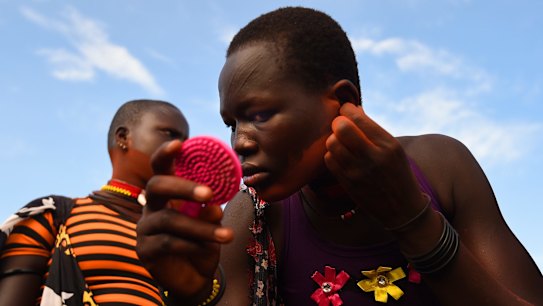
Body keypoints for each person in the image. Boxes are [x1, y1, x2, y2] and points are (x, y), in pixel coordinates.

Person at [136, 7, 543, 306]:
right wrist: (193, 295)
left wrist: (415, 224)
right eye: (232, 123)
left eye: (259, 115)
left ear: (342, 102)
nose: (239, 142)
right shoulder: (248, 218)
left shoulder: (440, 166)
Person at [0, 99, 225, 305]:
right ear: (123, 137)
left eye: (186, 140)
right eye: (169, 134)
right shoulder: (53, 215)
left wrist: (198, 292)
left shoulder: (179, 234)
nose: (182, 149)